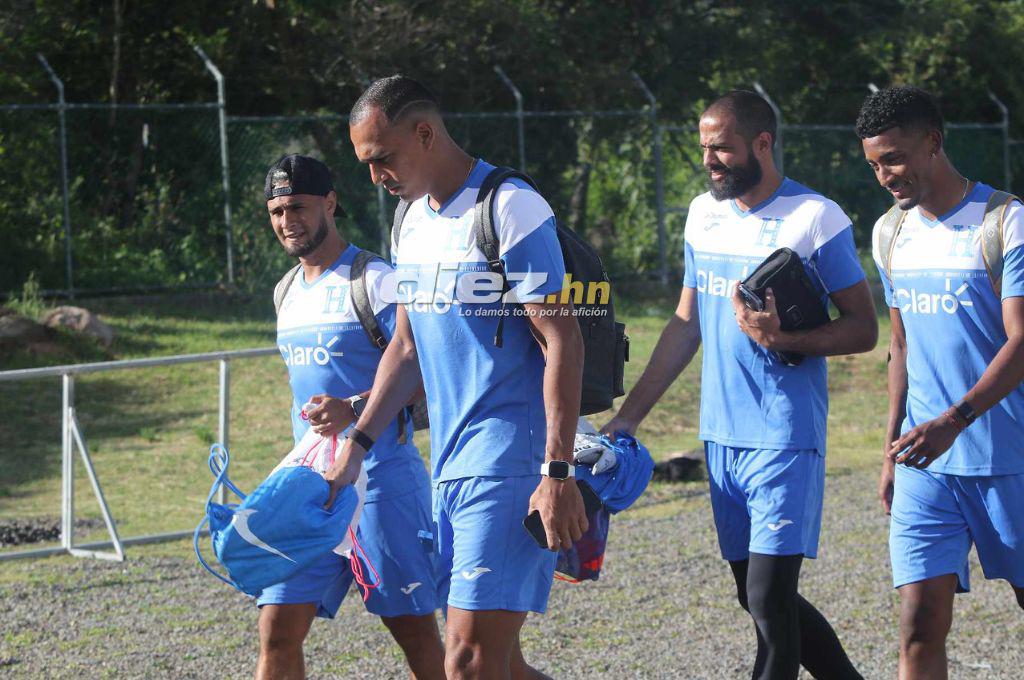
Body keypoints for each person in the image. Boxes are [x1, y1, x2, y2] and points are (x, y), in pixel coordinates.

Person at [602, 90, 875, 680]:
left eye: (721, 147)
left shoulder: (816, 218)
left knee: (772, 603)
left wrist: (785, 339)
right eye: (704, 148)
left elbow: (863, 328)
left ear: (762, 143)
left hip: (783, 434)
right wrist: (628, 418)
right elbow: (685, 324)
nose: (710, 160)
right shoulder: (702, 212)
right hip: (720, 437)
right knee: (755, 599)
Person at [324, 75, 587, 680]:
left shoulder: (509, 205)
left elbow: (561, 337)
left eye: (382, 158)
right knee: (502, 665)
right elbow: (406, 347)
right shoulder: (408, 219)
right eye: (365, 163)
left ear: (424, 134)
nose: (374, 176)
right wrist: (357, 448)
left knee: (466, 661)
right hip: (448, 464)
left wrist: (556, 471)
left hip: (510, 462)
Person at [858, 86, 1024, 680]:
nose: (885, 176)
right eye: (874, 164)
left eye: (895, 159)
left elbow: (1022, 340)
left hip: (1007, 457)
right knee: (919, 625)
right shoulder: (890, 234)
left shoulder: (1005, 222)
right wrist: (890, 452)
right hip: (926, 464)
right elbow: (899, 346)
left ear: (933, 142)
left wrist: (953, 422)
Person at [259, 154, 446, 680]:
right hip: (313, 491)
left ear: (331, 203)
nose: (286, 221)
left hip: (382, 482)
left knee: (414, 636)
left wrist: (355, 408)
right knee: (277, 628)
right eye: (275, 211)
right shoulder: (286, 292)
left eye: (297, 206)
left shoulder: (377, 280)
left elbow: (429, 370)